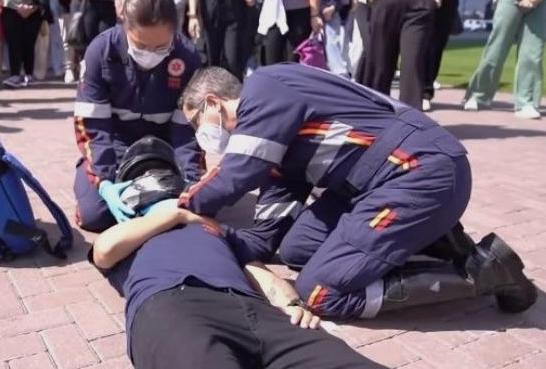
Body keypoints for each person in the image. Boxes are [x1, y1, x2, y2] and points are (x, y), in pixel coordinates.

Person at [89, 137, 453, 369]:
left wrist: (291, 302)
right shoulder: (133, 230)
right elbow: (104, 251)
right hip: (174, 309)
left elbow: (256, 270)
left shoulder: (217, 230)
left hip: (259, 317)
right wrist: (177, 213)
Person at [176, 63, 538, 319]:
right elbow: (267, 234)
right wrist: (213, 242)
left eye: (197, 123)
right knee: (297, 247)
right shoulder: (272, 144)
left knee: (321, 292)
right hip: (387, 182)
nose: (201, 136)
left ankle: (483, 273)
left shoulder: (264, 90)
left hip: (422, 172)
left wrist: (180, 208)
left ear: (213, 101)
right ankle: (437, 240)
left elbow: (233, 177)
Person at [73, 0, 204, 233]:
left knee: (195, 205)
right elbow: (93, 126)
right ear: (125, 25)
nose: (151, 55)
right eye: (141, 46)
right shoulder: (100, 52)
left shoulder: (187, 57)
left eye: (161, 47)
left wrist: (190, 180)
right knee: (96, 216)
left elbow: (188, 130)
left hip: (166, 148)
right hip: (115, 145)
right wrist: (104, 181)